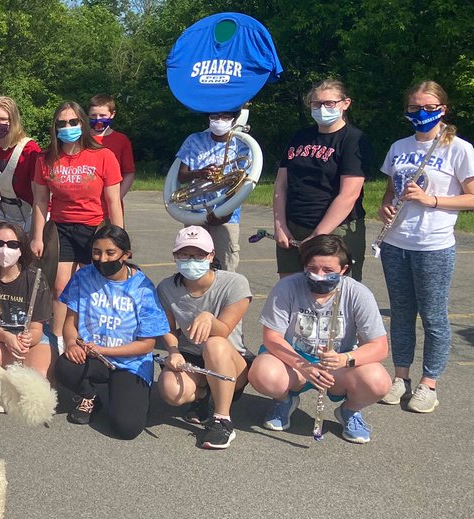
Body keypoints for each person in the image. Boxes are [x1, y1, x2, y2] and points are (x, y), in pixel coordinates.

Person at [376, 81, 474, 414]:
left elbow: (472, 197)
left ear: (443, 109)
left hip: (433, 245)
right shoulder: (399, 147)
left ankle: (428, 384)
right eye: (415, 107)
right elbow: (390, 192)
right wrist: (384, 206)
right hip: (395, 243)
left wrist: (432, 200)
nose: (422, 113)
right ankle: (400, 377)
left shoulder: (459, 149)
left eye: (430, 107)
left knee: (433, 317)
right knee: (401, 315)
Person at [250, 235, 390, 443]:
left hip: (336, 364)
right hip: (294, 363)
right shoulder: (287, 287)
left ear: (343, 269)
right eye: (312, 268)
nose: (318, 276)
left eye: (328, 271)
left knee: (378, 381)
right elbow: (272, 338)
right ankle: (284, 402)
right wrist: (306, 366)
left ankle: (350, 411)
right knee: (262, 372)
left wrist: (345, 359)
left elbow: (379, 347)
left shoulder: (358, 294)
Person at [56, 225, 168, 439]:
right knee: (64, 366)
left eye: (110, 253)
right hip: (93, 355)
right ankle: (90, 396)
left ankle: (130, 395)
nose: (102, 259)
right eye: (96, 252)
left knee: (126, 428)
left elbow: (147, 344)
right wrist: (71, 343)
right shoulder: (83, 276)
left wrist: (105, 350)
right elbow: (70, 322)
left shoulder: (143, 288)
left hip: (130, 363)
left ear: (126, 255)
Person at [154, 226, 252, 450]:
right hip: (193, 355)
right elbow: (168, 328)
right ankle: (205, 396)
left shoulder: (235, 283)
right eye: (184, 255)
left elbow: (225, 330)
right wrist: (174, 351)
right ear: (175, 256)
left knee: (214, 342)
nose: (191, 260)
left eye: (198, 255)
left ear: (211, 256)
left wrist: (209, 318)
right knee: (170, 390)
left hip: (230, 360)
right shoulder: (167, 287)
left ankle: (222, 419)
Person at [31, 102, 124, 338]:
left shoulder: (103, 156)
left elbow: (113, 201)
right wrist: (37, 237)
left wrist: (119, 239)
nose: (67, 127)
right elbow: (41, 202)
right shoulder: (46, 159)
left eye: (73, 122)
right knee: (61, 288)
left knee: (92, 287)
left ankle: (89, 336)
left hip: (94, 228)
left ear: (82, 123)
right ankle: (59, 339)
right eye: (61, 123)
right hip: (62, 229)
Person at [273, 79, 373, 280]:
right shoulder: (300, 137)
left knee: (335, 292)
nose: (322, 108)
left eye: (329, 103)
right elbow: (281, 185)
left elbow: (349, 194)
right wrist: (280, 226)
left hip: (335, 229)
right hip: (294, 226)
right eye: (316, 104)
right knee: (290, 291)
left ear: (345, 104)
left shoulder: (353, 139)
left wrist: (318, 235)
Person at [0, 222, 53, 376]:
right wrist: (7, 337)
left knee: (37, 376)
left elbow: (37, 329)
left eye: (13, 245)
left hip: (31, 341)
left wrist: (27, 339)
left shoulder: (36, 279)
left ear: (22, 248)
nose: (5, 250)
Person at [172, 109, 251, 271]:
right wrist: (200, 173)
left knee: (225, 265)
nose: (219, 120)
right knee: (193, 264)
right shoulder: (194, 139)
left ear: (234, 118)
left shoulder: (242, 144)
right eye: (214, 116)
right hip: (194, 212)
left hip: (227, 217)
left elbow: (241, 181)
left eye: (226, 116)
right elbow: (182, 176)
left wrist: (225, 212)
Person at [0, 95, 42, 234]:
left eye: (3, 119)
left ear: (12, 121)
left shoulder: (29, 149)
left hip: (28, 214)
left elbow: (39, 193)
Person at [88, 94, 135, 198]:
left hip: (111, 202)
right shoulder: (81, 139)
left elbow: (129, 173)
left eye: (102, 115)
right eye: (93, 115)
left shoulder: (121, 140)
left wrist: (116, 199)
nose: (98, 119)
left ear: (112, 114)